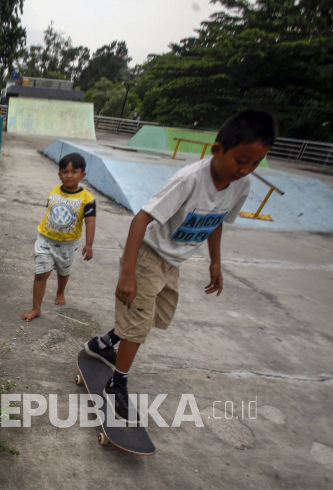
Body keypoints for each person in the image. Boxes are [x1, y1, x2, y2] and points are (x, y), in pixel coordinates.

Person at [84, 109, 278, 423]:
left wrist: (215, 262)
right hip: (147, 256)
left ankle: (104, 343)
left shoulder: (240, 186)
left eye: (255, 164)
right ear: (218, 149)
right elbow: (141, 218)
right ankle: (116, 383)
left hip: (173, 263)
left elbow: (216, 222)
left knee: (154, 318)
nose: (246, 170)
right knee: (139, 323)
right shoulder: (189, 180)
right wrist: (128, 273)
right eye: (242, 160)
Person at [22, 152, 96, 322]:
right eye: (65, 171)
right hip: (46, 240)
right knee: (41, 273)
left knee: (63, 271)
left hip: (68, 244)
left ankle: (60, 291)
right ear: (59, 174)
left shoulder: (87, 199)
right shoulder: (54, 191)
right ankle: (36, 309)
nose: (69, 175)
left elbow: (90, 222)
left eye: (74, 171)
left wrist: (89, 244)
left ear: (82, 175)